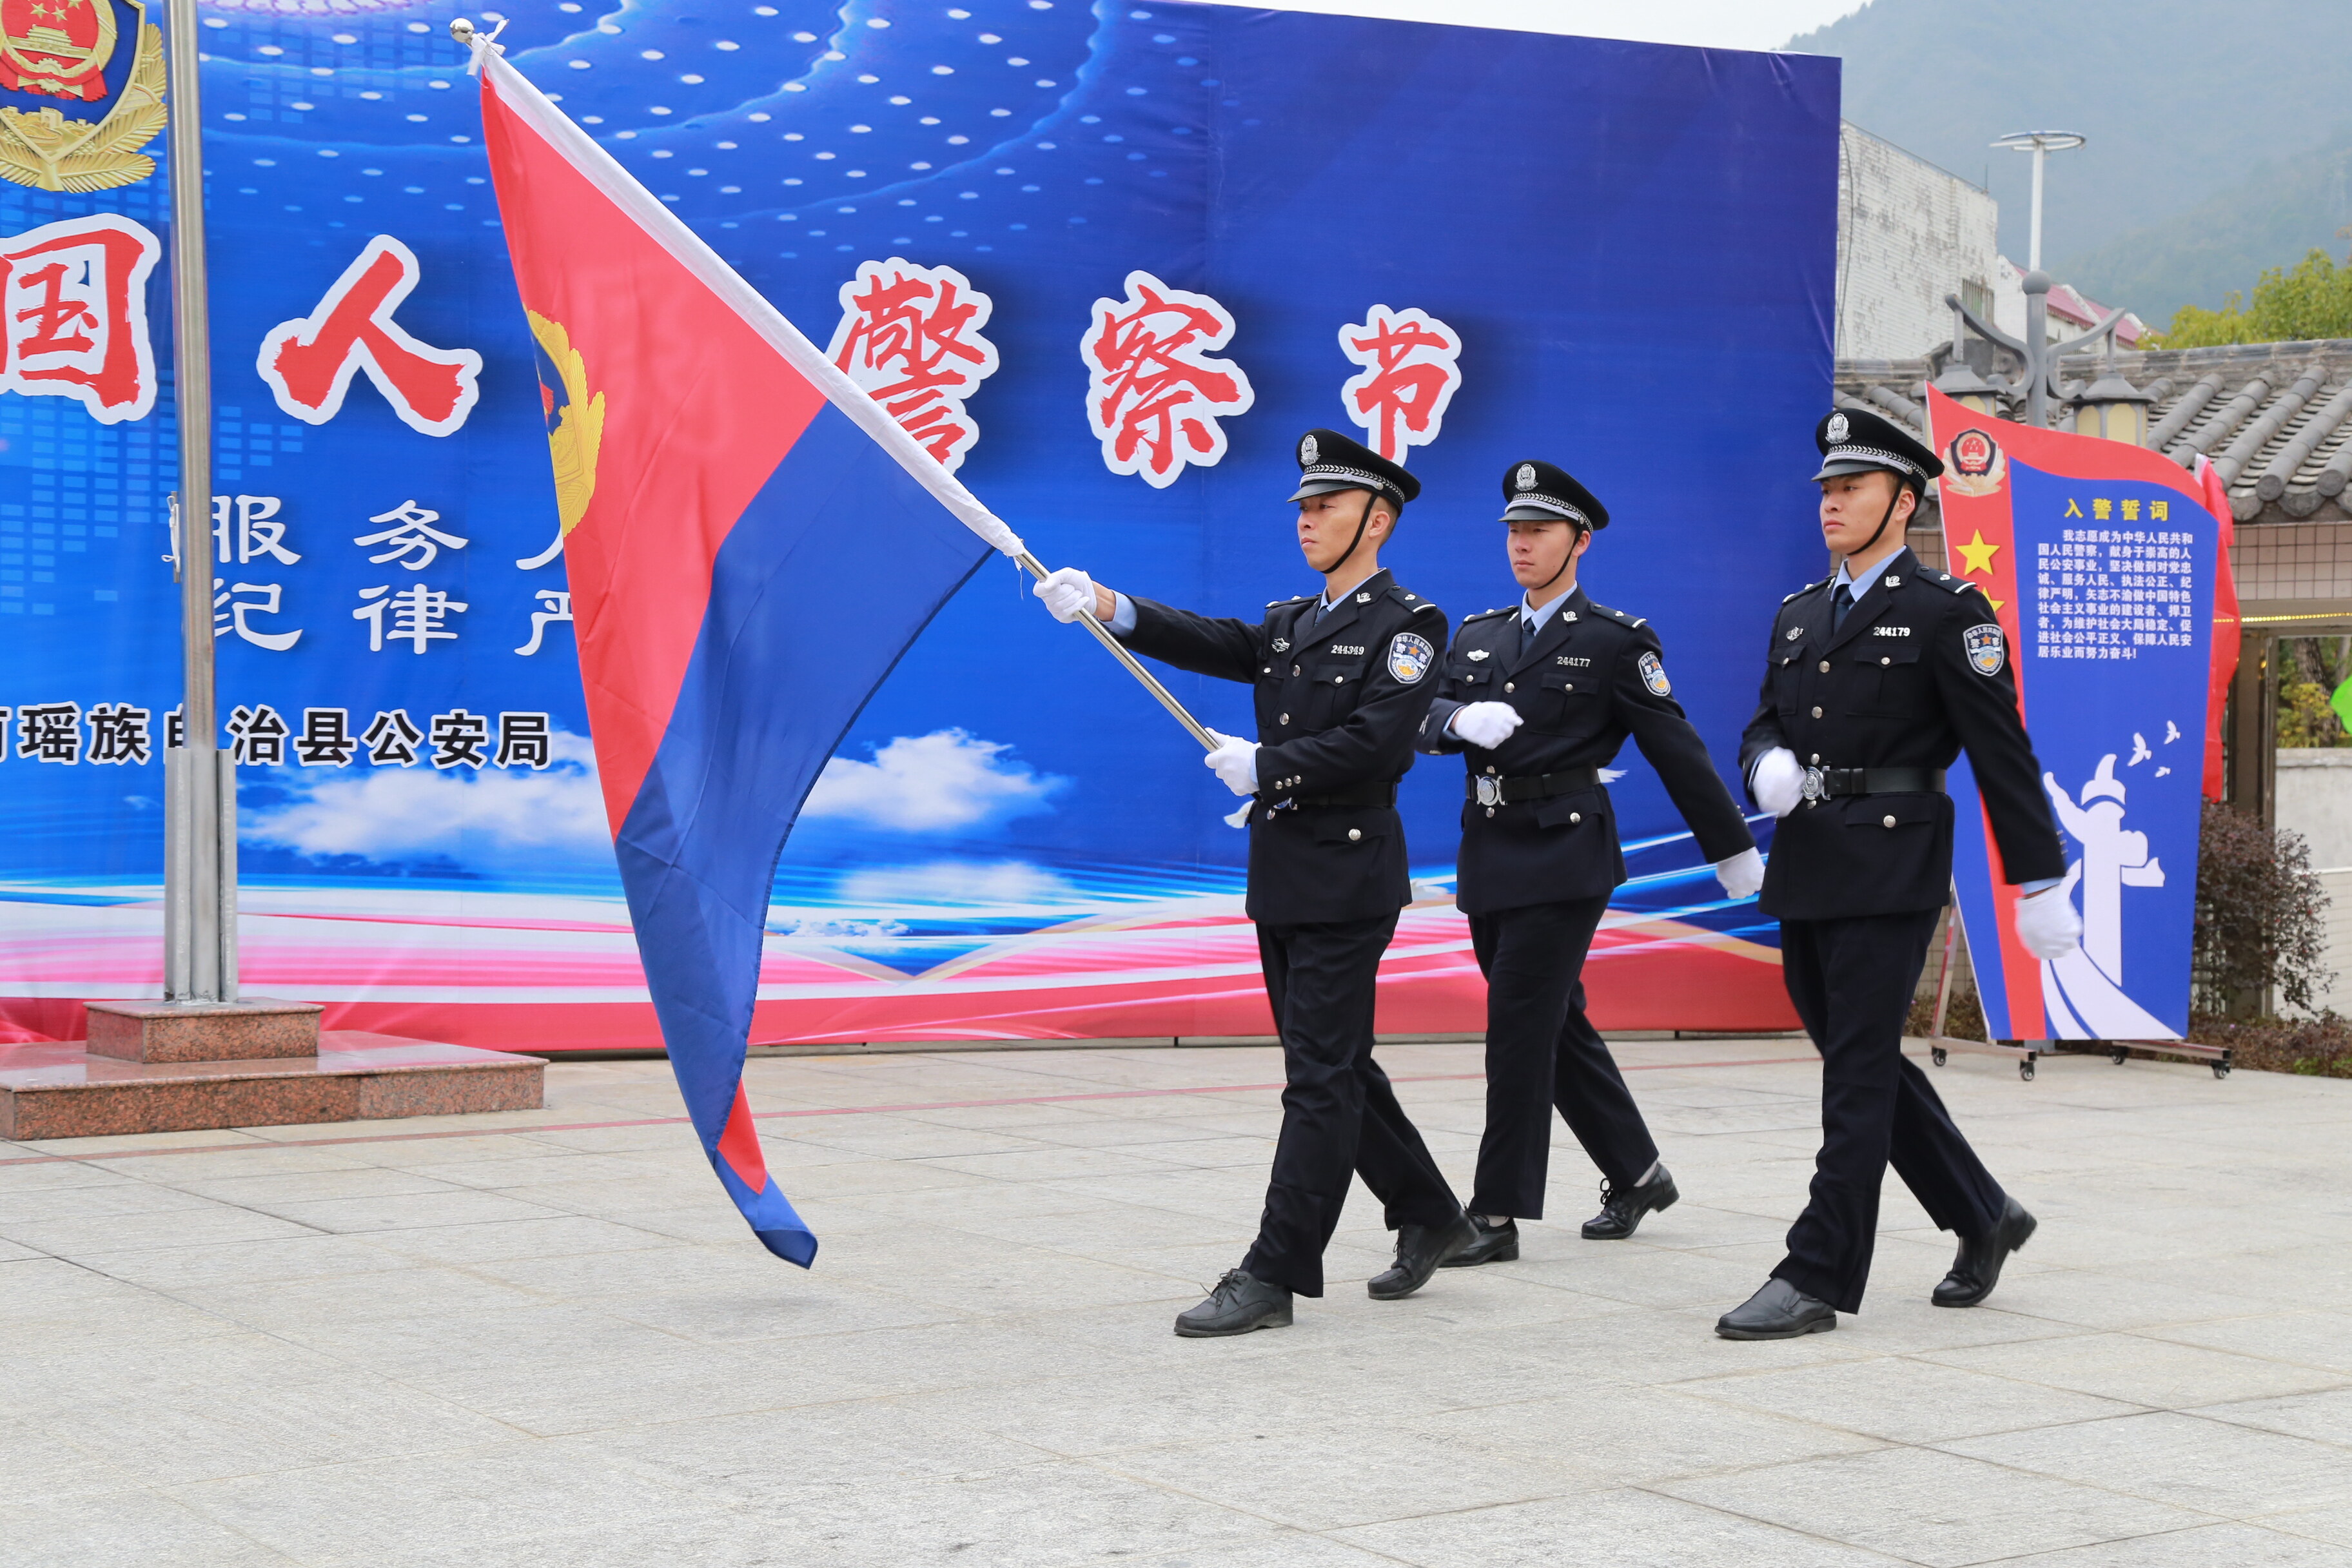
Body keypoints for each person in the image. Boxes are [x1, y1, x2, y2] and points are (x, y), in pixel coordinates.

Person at [1032, 427, 1474, 1337]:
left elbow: (1380, 740)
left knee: (1315, 1078)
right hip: (1284, 872)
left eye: (1328, 506)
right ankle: (1429, 1211)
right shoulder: (1293, 620)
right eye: (1303, 506)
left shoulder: (1410, 627)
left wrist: (1269, 765)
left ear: (1378, 519)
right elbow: (1214, 641)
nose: (1308, 519)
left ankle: (1276, 1271)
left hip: (1350, 876)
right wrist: (1111, 606)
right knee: (1336, 1063)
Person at [1716, 407, 2081, 1340]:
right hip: (1809, 863)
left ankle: (1816, 1274)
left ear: (1903, 501)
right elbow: (1766, 720)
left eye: (1854, 488)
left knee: (1856, 1075)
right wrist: (1763, 764)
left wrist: (2039, 880)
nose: (1832, 503)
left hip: (1893, 860)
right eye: (1828, 489)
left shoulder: (1946, 612)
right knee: (1859, 1059)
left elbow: (2001, 753)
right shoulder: (1800, 613)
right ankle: (1981, 1212)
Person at [1418, 460, 1763, 1269]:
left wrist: (1733, 850)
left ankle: (1495, 1211)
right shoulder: (1477, 634)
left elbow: (1676, 749)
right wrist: (1458, 716)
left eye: (1538, 530)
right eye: (1513, 530)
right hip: (1491, 847)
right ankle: (1638, 1172)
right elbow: (1412, 712)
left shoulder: (1614, 639)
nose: (1522, 544)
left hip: (1567, 853)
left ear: (1581, 540)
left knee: (1516, 1027)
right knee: (1552, 1022)